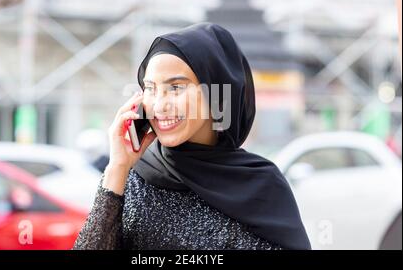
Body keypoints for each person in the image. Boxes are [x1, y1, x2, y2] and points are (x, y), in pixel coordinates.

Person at [73, 22, 311, 250]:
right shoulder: (136, 177)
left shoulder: (261, 185)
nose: (159, 105)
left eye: (175, 87)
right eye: (151, 89)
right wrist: (117, 167)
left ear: (216, 93)